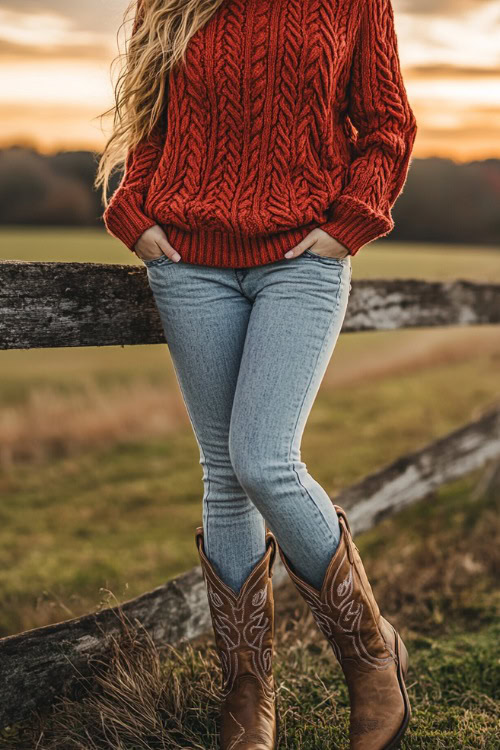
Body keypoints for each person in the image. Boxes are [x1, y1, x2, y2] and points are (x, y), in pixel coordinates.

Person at [96, 1, 417, 748]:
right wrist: (133, 211)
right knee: (223, 471)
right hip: (188, 261)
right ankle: (248, 690)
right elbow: (153, 120)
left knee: (264, 458)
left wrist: (350, 224)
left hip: (300, 261)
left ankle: (373, 655)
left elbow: (387, 123)